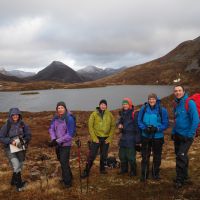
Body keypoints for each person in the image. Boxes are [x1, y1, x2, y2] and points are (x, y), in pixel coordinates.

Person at [172, 85, 199, 188]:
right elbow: (176, 120)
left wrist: (190, 134)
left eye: (179, 90)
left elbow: (196, 120)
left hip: (187, 136)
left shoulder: (189, 103)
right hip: (178, 135)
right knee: (182, 156)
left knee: (180, 156)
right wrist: (173, 132)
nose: (178, 92)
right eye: (176, 91)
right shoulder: (176, 104)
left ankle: (179, 180)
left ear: (183, 91)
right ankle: (185, 175)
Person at [81, 99, 115, 178]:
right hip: (96, 138)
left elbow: (113, 126)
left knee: (104, 155)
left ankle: (102, 169)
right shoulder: (94, 114)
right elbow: (90, 126)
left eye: (104, 105)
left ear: (106, 106)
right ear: (99, 105)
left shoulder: (109, 114)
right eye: (102, 104)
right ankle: (86, 171)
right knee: (92, 155)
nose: (103, 106)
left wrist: (109, 138)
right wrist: (94, 138)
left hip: (106, 138)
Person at [138, 93, 169, 181]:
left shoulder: (162, 110)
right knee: (145, 156)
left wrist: (157, 128)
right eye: (150, 99)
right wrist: (144, 128)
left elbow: (165, 124)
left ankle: (155, 174)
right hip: (146, 136)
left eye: (153, 99)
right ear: (148, 100)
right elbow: (139, 121)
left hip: (157, 137)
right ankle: (144, 176)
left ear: (156, 100)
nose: (151, 101)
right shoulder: (143, 109)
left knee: (157, 156)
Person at [0, 108, 31, 192]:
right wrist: (10, 141)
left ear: (19, 115)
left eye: (17, 114)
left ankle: (13, 181)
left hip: (20, 145)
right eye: (13, 115)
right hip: (9, 147)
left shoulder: (23, 124)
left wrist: (25, 140)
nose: (15, 116)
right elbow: (1, 137)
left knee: (20, 165)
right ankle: (19, 186)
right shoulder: (7, 125)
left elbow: (28, 134)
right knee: (16, 165)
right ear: (10, 115)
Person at [49, 101, 75, 188]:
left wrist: (58, 140)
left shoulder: (69, 119)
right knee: (62, 161)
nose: (60, 109)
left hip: (66, 145)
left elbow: (70, 134)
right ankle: (69, 176)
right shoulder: (55, 118)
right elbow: (51, 128)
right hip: (57, 144)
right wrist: (53, 139)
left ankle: (68, 183)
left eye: (62, 108)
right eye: (58, 108)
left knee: (64, 162)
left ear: (65, 108)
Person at [117, 98, 139, 177]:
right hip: (123, 137)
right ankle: (124, 169)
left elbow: (137, 127)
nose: (124, 105)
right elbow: (119, 121)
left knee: (131, 156)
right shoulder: (122, 113)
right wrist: (119, 124)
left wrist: (137, 140)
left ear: (129, 104)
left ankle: (133, 171)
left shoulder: (134, 114)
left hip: (131, 138)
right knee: (122, 155)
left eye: (126, 104)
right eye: (123, 104)